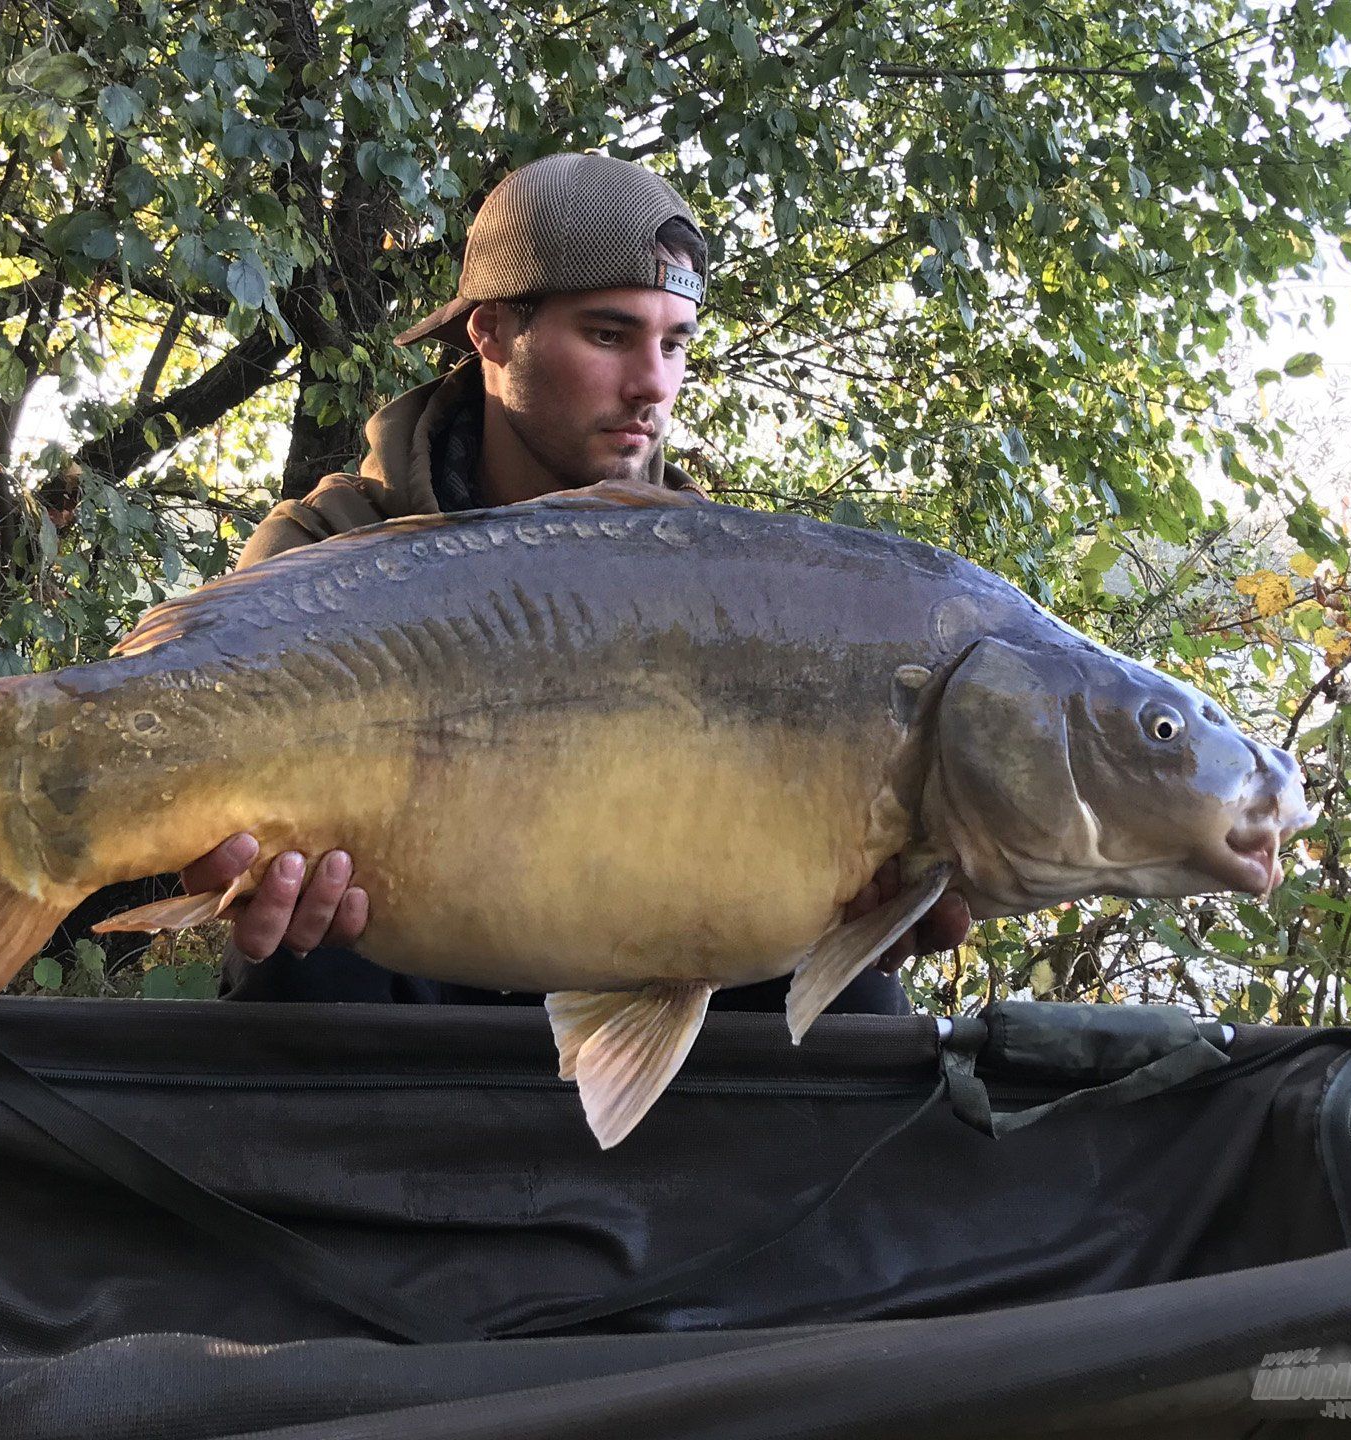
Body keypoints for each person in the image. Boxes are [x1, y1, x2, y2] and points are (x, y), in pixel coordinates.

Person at [178, 152, 969, 1009]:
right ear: (489, 333)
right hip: (400, 943)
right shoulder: (328, 550)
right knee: (310, 964)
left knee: (858, 1006)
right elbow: (202, 795)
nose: (653, 385)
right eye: (608, 334)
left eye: (675, 344)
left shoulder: (723, 586)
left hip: (649, 935)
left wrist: (866, 907)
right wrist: (230, 866)